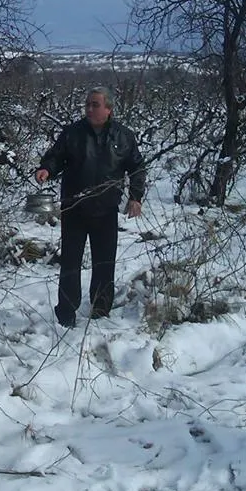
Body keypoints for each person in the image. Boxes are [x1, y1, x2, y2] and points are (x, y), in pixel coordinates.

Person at [35, 86, 146, 328]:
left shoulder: (123, 136)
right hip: (74, 208)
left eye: (95, 104)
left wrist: (136, 196)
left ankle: (100, 310)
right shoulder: (72, 133)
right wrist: (47, 168)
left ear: (109, 109)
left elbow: (137, 167)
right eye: (87, 104)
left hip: (106, 210)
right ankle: (66, 313)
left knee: (104, 263)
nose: (89, 109)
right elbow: (55, 156)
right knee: (70, 263)